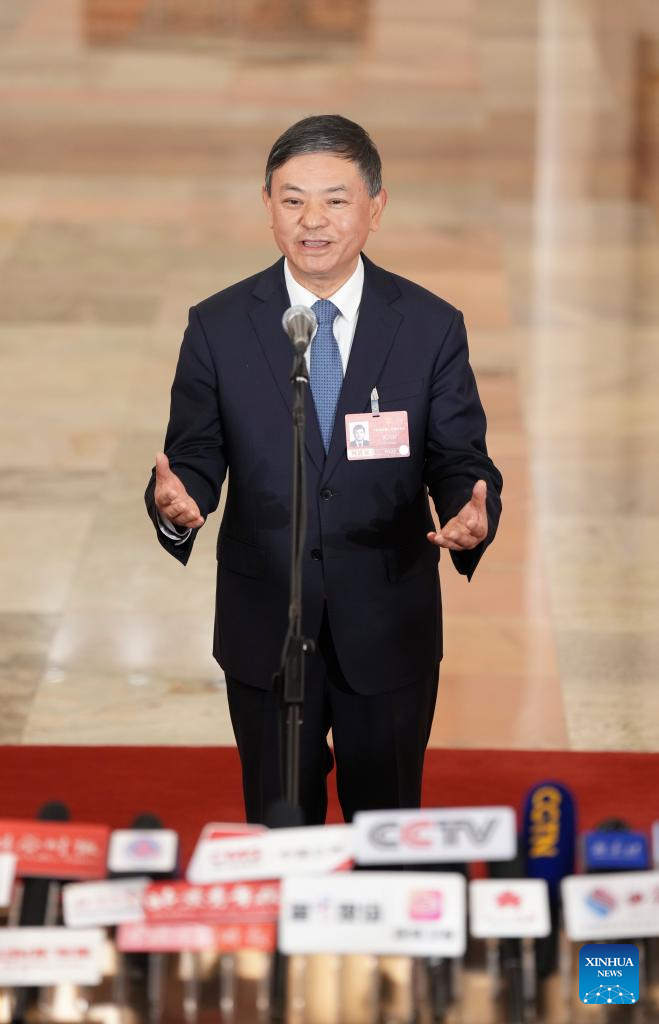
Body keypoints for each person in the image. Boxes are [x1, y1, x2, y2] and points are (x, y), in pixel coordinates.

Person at [145, 114, 503, 826]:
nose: (313, 221)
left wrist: (471, 510)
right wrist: (179, 503)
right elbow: (193, 453)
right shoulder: (218, 325)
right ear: (268, 205)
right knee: (281, 830)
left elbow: (458, 457)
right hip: (266, 625)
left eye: (336, 200)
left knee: (387, 829)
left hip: (388, 623)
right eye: (293, 200)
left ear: (376, 207)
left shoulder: (429, 325)